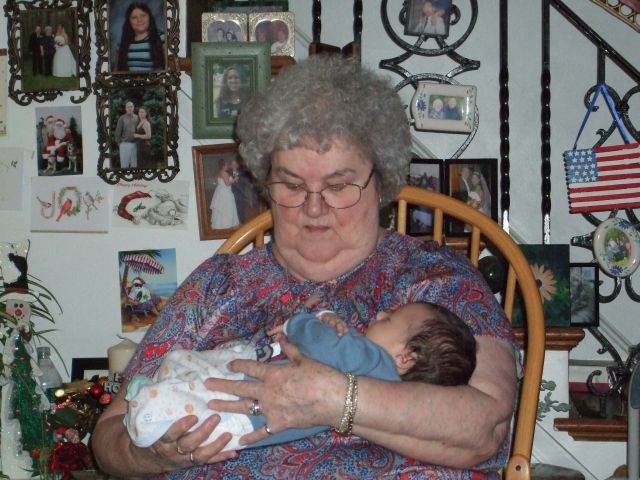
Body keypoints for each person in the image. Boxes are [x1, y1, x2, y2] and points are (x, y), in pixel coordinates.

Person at [92, 55, 518, 479]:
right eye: (292, 185)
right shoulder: (216, 286)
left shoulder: (435, 280)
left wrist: (335, 399)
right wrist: (155, 455)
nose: (314, 208)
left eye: (338, 185)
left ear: (381, 182)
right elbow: (108, 437)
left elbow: (487, 428)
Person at [124, 302, 476, 451]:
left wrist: (301, 321)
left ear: (406, 357)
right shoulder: (381, 379)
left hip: (247, 408)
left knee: (197, 399)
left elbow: (322, 341)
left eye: (391, 319)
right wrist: (328, 316)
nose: (381, 313)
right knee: (204, 382)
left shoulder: (370, 358)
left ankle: (148, 405)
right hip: (255, 419)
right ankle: (159, 391)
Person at [115, 2, 165, 72]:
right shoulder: (122, 42)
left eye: (143, 16)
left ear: (149, 17)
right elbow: (117, 71)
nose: (139, 20)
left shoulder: (162, 37)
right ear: (129, 21)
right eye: (134, 17)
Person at [210, 158, 240, 229]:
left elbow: (232, 177)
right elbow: (227, 183)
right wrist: (234, 179)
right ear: (223, 165)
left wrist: (235, 172)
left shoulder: (220, 172)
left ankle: (221, 224)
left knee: (223, 208)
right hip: (225, 193)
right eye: (226, 164)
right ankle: (227, 224)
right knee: (227, 208)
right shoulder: (224, 172)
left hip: (221, 192)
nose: (228, 166)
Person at [114, 101, 138, 168]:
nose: (130, 108)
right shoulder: (122, 118)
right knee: (124, 166)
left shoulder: (137, 118)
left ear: (133, 108)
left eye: (131, 107)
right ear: (125, 108)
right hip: (124, 144)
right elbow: (117, 133)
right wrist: (120, 144)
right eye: (128, 107)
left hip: (135, 144)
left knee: (135, 166)